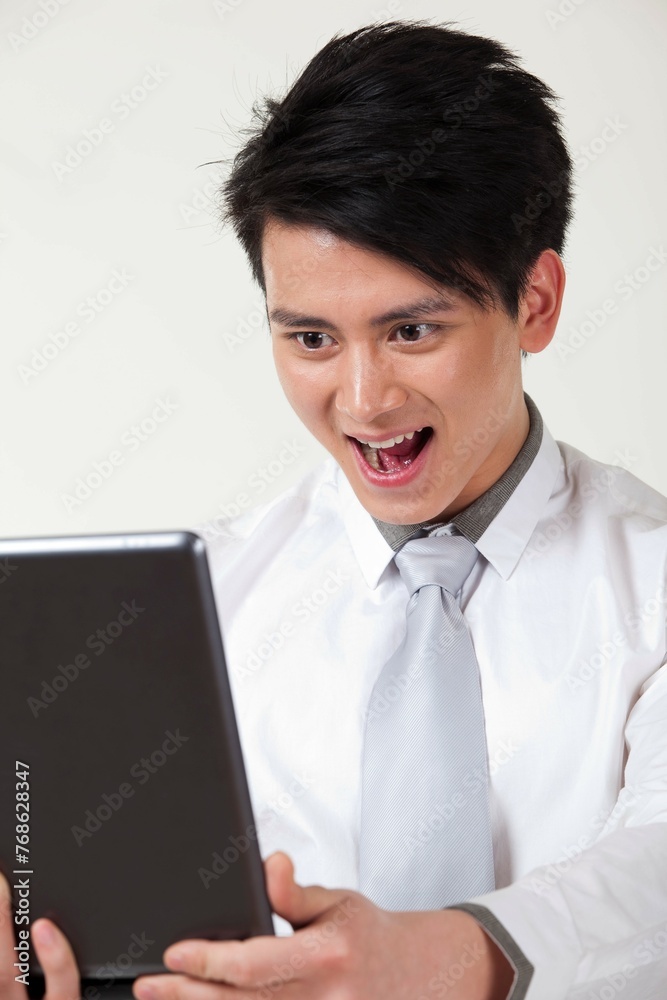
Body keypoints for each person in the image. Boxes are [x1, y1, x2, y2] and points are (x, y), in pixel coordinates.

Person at [2, 18, 666, 1000]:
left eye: (411, 330)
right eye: (310, 338)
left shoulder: (651, 584)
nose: (362, 401)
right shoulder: (192, 608)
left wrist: (445, 957)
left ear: (534, 300)